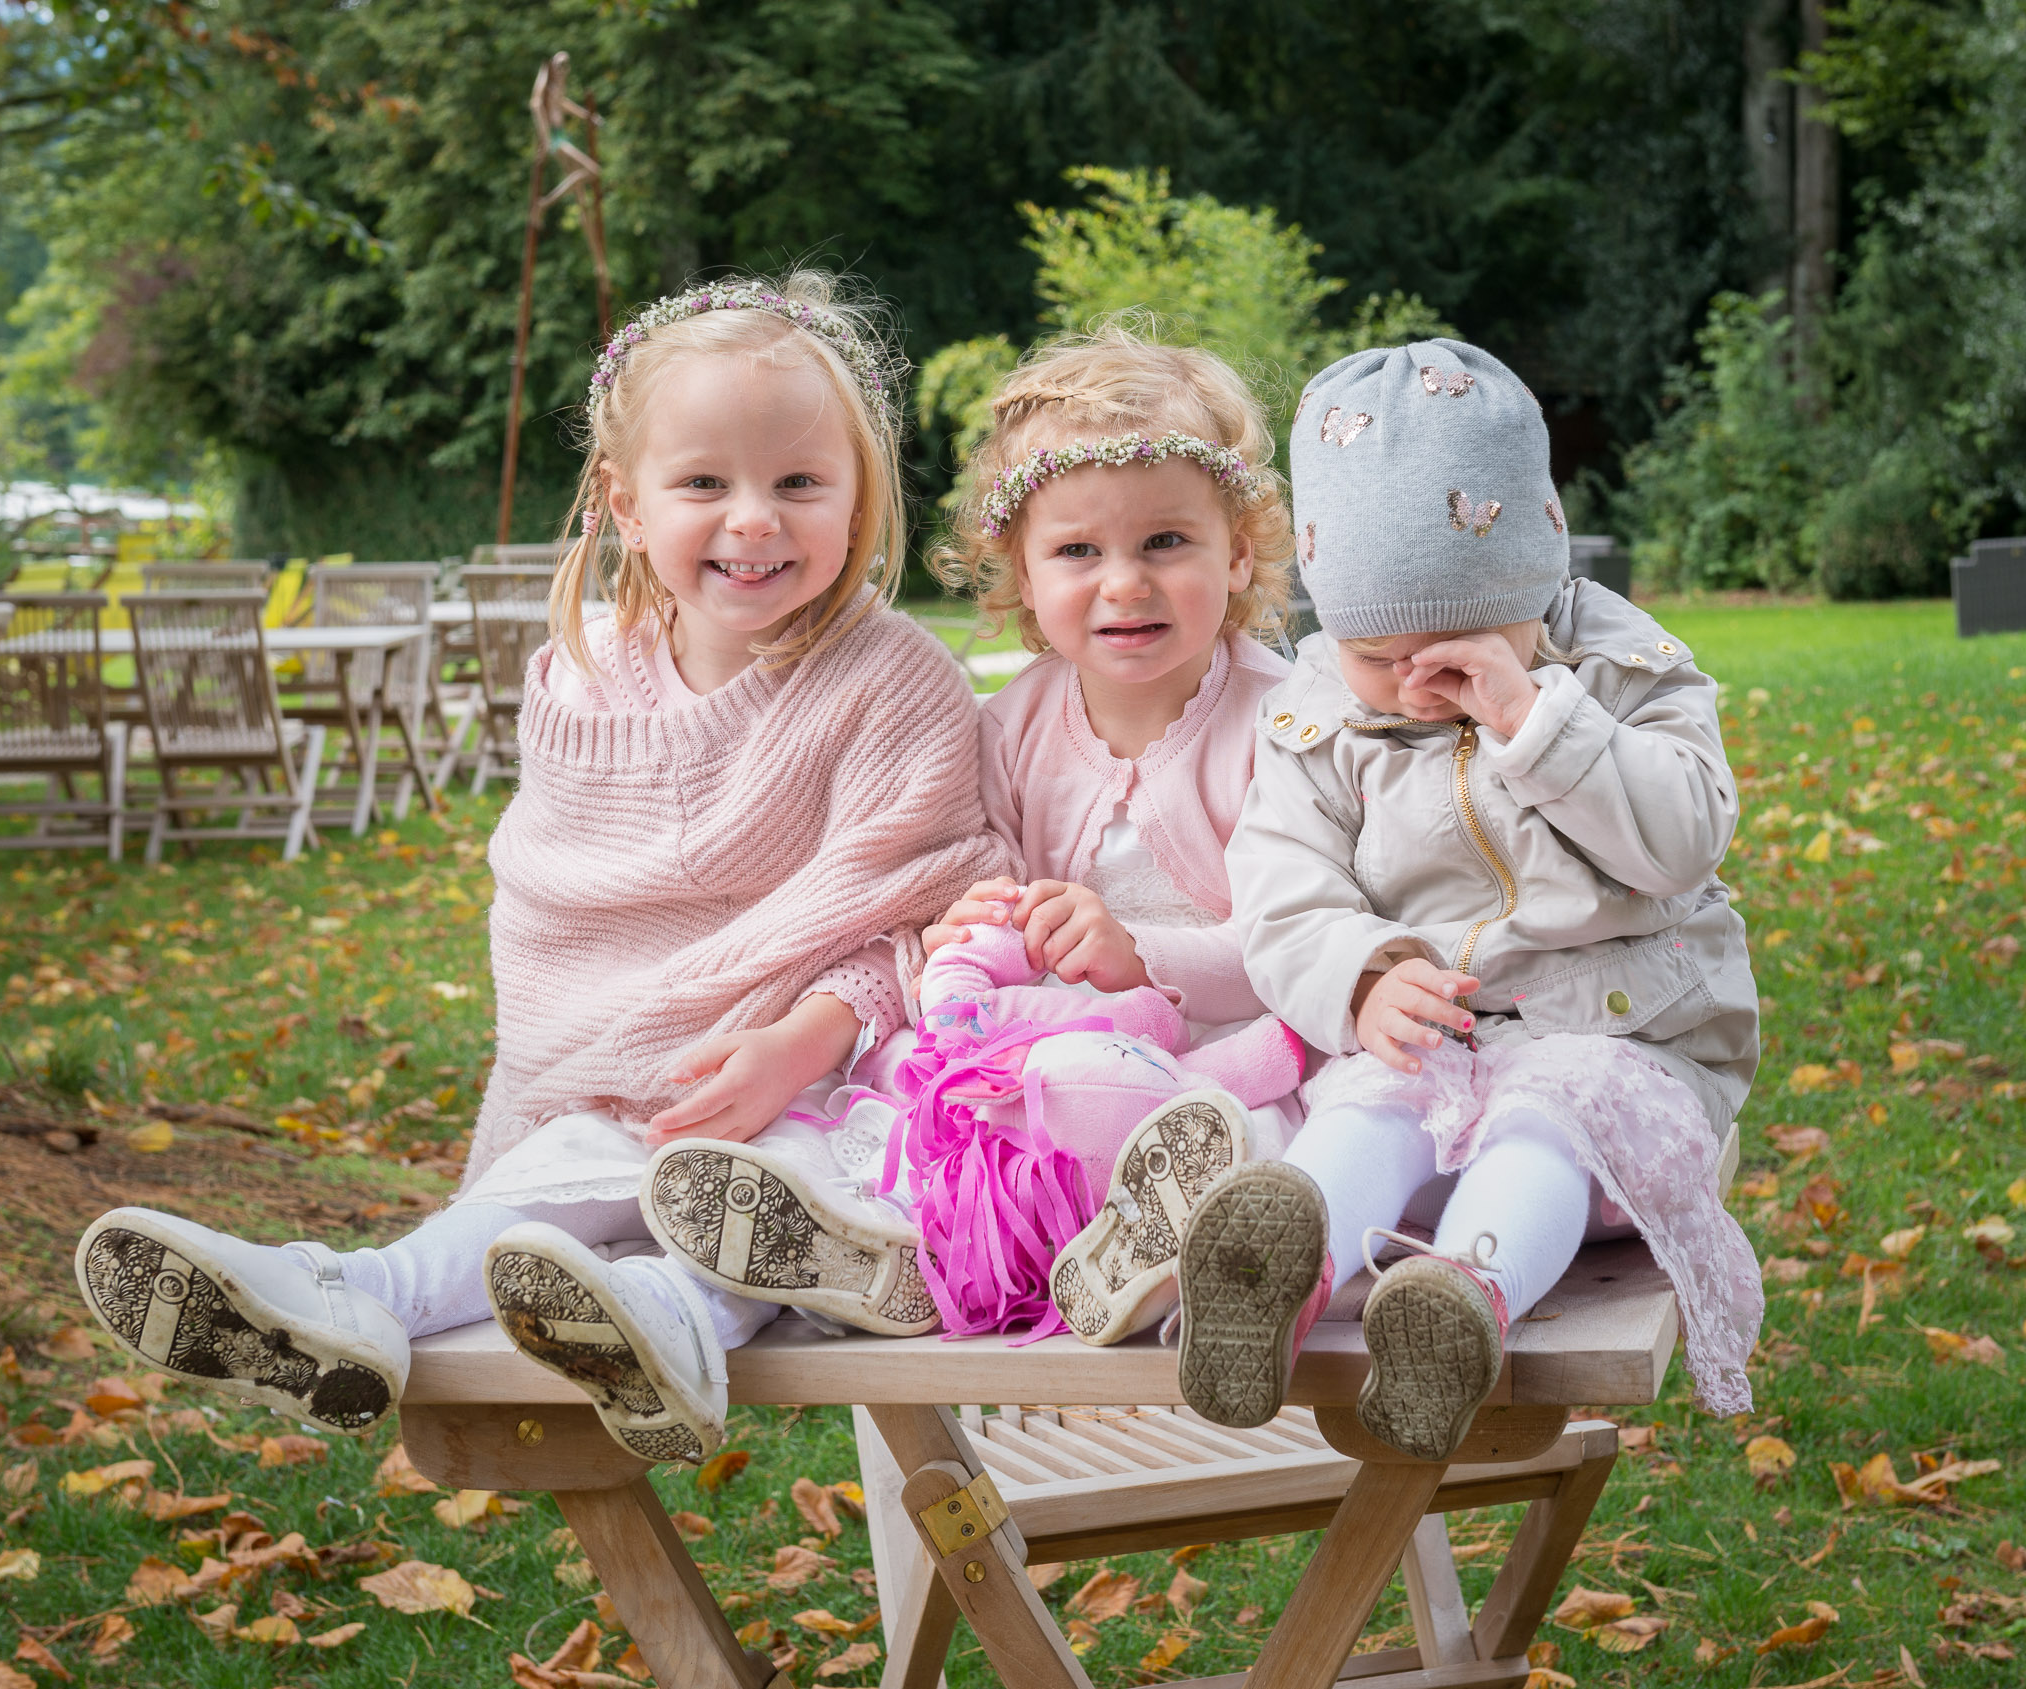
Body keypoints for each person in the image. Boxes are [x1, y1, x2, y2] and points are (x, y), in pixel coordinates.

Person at [72, 271, 1008, 1463]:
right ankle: (352, 1297)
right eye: (704, 484)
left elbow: (925, 907)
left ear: (858, 494)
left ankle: (675, 1318)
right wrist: (628, 1050)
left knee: (774, 1189)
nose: (754, 519)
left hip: (821, 1071)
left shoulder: (895, 679)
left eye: (799, 484)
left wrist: (805, 1038)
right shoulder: (581, 672)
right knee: (574, 1164)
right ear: (625, 502)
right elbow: (561, 903)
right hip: (616, 1071)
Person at [640, 325, 1314, 1359]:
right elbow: (979, 892)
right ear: (1020, 575)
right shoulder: (1009, 726)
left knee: (1254, 1136)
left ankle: (1145, 1249)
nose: (1123, 584)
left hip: (1225, 1059)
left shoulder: (1288, 723)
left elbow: (1306, 945)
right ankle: (867, 1237)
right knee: (908, 1075)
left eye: (1165, 544)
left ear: (1238, 551)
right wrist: (974, 929)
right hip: (1044, 1057)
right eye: (1077, 552)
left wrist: (1146, 959)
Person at [1191, 337, 1763, 1447]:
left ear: (1533, 593)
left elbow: (1683, 840)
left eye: (1455, 661)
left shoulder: (1621, 672)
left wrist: (1536, 722)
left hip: (1624, 1054)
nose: (1417, 691)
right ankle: (1272, 1282)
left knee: (1542, 1125)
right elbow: (1279, 888)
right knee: (1364, 1109)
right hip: (1436, 1050)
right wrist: (1359, 981)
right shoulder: (1315, 713)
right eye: (1377, 659)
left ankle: (1459, 1306)